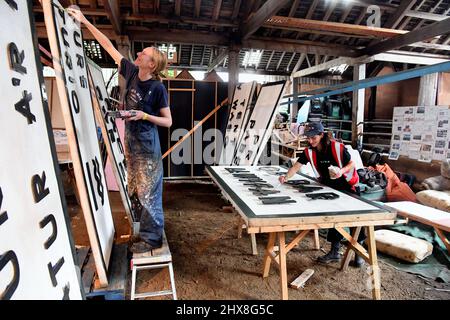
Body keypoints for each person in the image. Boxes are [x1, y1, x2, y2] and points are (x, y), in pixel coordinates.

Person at [68, 7, 172, 253]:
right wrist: (84, 21)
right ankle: (144, 233)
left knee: (149, 194)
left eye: (143, 53)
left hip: (147, 147)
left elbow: (168, 121)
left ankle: (152, 239)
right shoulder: (133, 72)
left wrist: (144, 115)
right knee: (135, 188)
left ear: (152, 63)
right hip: (132, 142)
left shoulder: (158, 88)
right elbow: (108, 46)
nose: (138, 53)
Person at [279, 122, 365, 267]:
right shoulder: (309, 151)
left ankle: (359, 253)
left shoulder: (337, 148)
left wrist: (340, 171)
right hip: (330, 187)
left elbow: (351, 164)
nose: (311, 141)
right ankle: (334, 252)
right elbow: (296, 166)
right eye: (308, 138)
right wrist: (285, 177)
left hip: (348, 186)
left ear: (322, 135)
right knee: (334, 218)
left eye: (314, 138)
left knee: (356, 219)